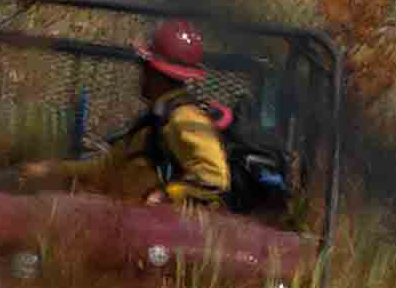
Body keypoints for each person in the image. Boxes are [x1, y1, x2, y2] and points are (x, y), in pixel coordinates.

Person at [12, 19, 233, 208]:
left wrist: (164, 197)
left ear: (154, 71)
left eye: (144, 66)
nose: (140, 75)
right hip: (123, 217)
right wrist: (51, 170)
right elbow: (107, 168)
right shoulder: (156, 119)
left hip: (153, 234)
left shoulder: (183, 117)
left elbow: (213, 179)